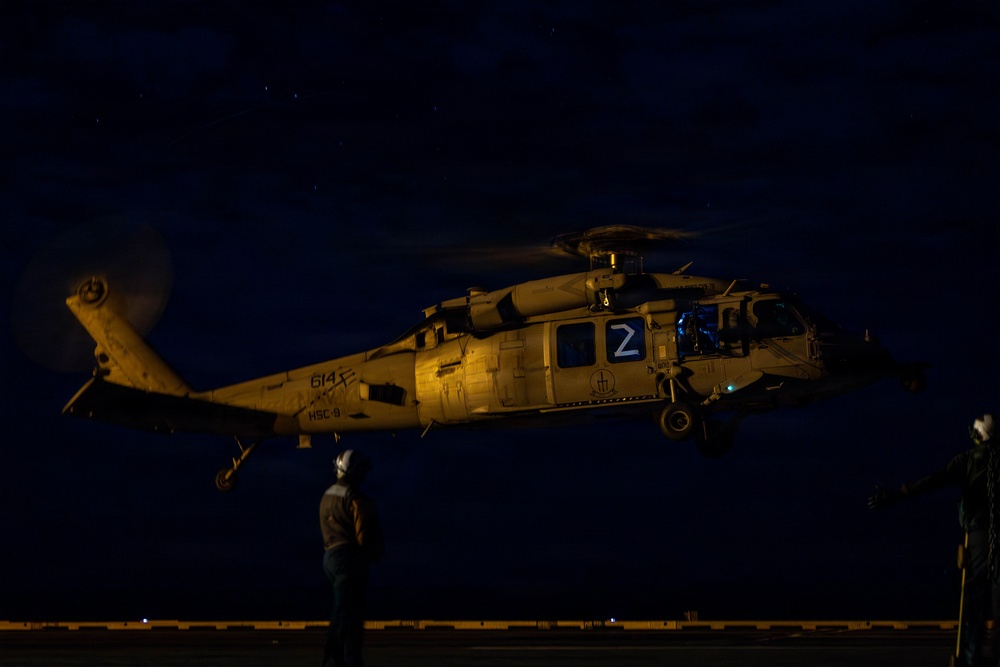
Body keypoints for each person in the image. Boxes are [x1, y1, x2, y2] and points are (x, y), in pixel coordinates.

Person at [869, 414, 998, 667]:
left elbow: (934, 481)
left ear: (977, 434)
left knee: (975, 596)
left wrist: (897, 495)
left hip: (980, 535)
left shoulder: (968, 459)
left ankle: (971, 655)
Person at [320, 449, 385, 667]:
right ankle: (336, 659)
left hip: (330, 557)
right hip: (349, 560)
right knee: (347, 613)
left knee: (345, 609)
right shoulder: (356, 498)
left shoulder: (327, 495)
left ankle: (342, 660)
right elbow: (363, 535)